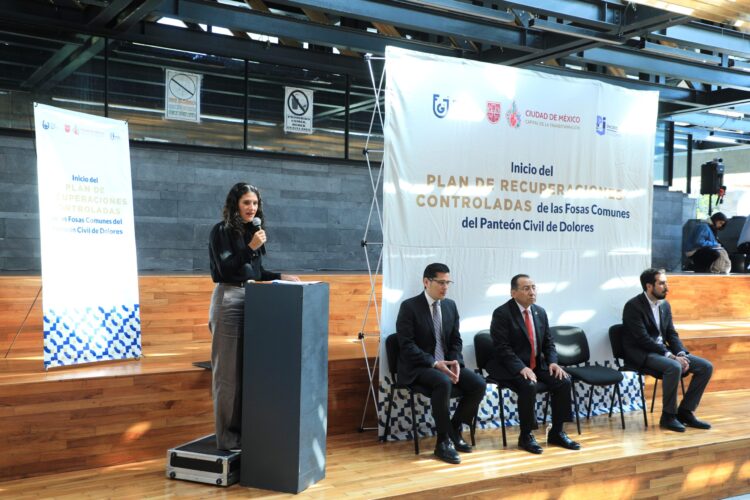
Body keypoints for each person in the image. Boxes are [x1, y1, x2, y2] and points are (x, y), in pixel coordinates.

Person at [208, 182, 299, 451]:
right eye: (246, 202)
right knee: (228, 374)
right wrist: (250, 247)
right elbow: (224, 270)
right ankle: (227, 438)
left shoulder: (253, 232)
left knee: (248, 373)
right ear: (235, 204)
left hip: (253, 298)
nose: (252, 208)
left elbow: (254, 272)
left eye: (255, 203)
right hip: (229, 298)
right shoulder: (221, 231)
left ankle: (246, 432)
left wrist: (280, 276)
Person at [396, 263, 487, 464]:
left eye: (448, 283)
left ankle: (454, 427)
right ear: (426, 282)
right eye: (441, 282)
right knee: (443, 382)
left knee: (478, 384)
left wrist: (455, 361)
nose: (445, 287)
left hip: (446, 363)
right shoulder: (409, 307)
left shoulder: (450, 306)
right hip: (418, 367)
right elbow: (406, 345)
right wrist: (435, 363)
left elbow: (456, 340)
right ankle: (443, 442)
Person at [485, 274, 581, 455]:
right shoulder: (502, 313)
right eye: (526, 288)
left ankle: (557, 432)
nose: (532, 292)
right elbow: (502, 348)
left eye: (533, 287)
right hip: (509, 367)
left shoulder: (540, 312)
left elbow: (549, 342)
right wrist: (521, 368)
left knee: (563, 381)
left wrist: (553, 362)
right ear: (513, 293)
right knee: (529, 384)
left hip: (536, 364)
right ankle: (526, 435)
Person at [622, 268, 713, 432]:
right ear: (649, 286)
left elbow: (671, 333)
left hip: (663, 351)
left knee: (705, 367)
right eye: (662, 283)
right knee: (674, 366)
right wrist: (671, 356)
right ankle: (668, 416)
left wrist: (681, 354)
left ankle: (685, 412)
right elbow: (643, 340)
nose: (667, 287)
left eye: (666, 283)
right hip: (642, 353)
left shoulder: (664, 304)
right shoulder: (633, 306)